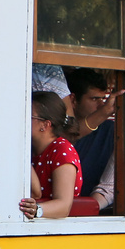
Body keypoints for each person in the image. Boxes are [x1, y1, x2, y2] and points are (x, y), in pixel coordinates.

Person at [65, 68, 123, 212]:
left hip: (99, 211)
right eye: (94, 99)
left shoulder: (111, 131)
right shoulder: (56, 132)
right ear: (73, 100)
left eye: (102, 99)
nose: (101, 105)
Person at [20, 92, 82, 220]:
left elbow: (63, 206)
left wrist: (37, 209)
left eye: (28, 115)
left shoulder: (62, 150)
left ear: (45, 125)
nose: (22, 119)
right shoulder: (29, 148)